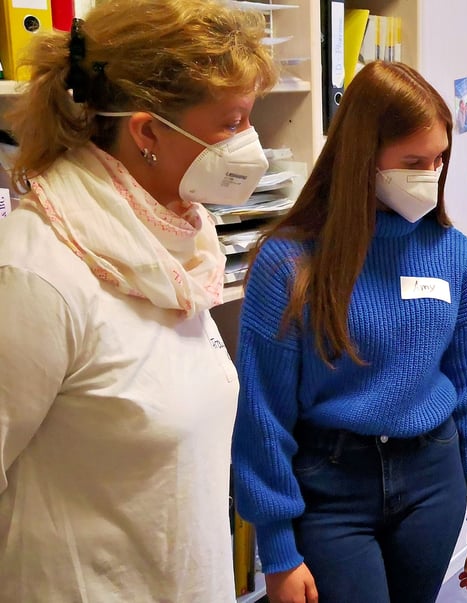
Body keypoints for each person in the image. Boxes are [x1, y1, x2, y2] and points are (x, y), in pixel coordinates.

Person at [0, 1, 277, 600]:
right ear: (147, 131)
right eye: (231, 123)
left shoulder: (182, 247)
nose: (250, 145)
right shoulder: (37, 271)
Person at [231, 60, 467, 603]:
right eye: (413, 162)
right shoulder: (288, 263)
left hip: (433, 477)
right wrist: (278, 551)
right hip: (331, 486)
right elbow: (263, 414)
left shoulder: (453, 254)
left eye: (439, 160)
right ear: (363, 157)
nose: (430, 174)